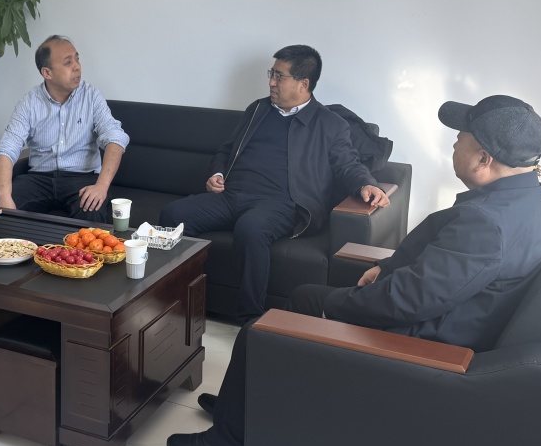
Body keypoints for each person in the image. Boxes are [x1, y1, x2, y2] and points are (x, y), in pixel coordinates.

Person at [166, 94, 541, 446]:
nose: (455, 142)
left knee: (263, 326)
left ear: (484, 158)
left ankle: (229, 444)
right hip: (439, 319)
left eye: (461, 137)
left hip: (421, 345)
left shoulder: (486, 224)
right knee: (299, 299)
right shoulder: (534, 203)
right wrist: (387, 267)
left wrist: (337, 306)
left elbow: (410, 300)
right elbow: (447, 274)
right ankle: (244, 406)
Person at [158, 45, 390, 323]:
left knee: (251, 228)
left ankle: (249, 318)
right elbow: (227, 149)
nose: (271, 82)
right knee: (173, 214)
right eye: (272, 74)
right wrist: (217, 172)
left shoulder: (330, 124)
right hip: (231, 196)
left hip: (283, 204)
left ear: (303, 83)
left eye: (279, 76)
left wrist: (366, 184)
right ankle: (174, 302)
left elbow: (348, 165)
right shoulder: (258, 110)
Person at [0, 35, 129, 223]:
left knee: (92, 211)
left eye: (77, 59)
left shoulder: (91, 97)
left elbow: (115, 138)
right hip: (39, 179)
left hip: (81, 178)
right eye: (68, 62)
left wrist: (101, 186)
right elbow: (7, 149)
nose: (77, 66)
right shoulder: (30, 102)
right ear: (47, 73)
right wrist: (4, 197)